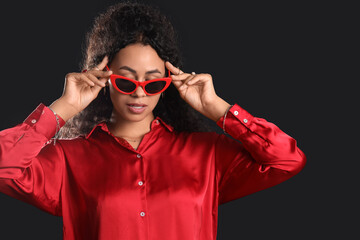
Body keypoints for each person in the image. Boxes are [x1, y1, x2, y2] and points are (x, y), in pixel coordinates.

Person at [0, 2, 306, 240]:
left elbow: (286, 160)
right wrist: (63, 108)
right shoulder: (68, 160)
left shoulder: (208, 155)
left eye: (153, 82)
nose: (139, 93)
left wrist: (218, 109)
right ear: (105, 80)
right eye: (126, 81)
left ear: (167, 84)